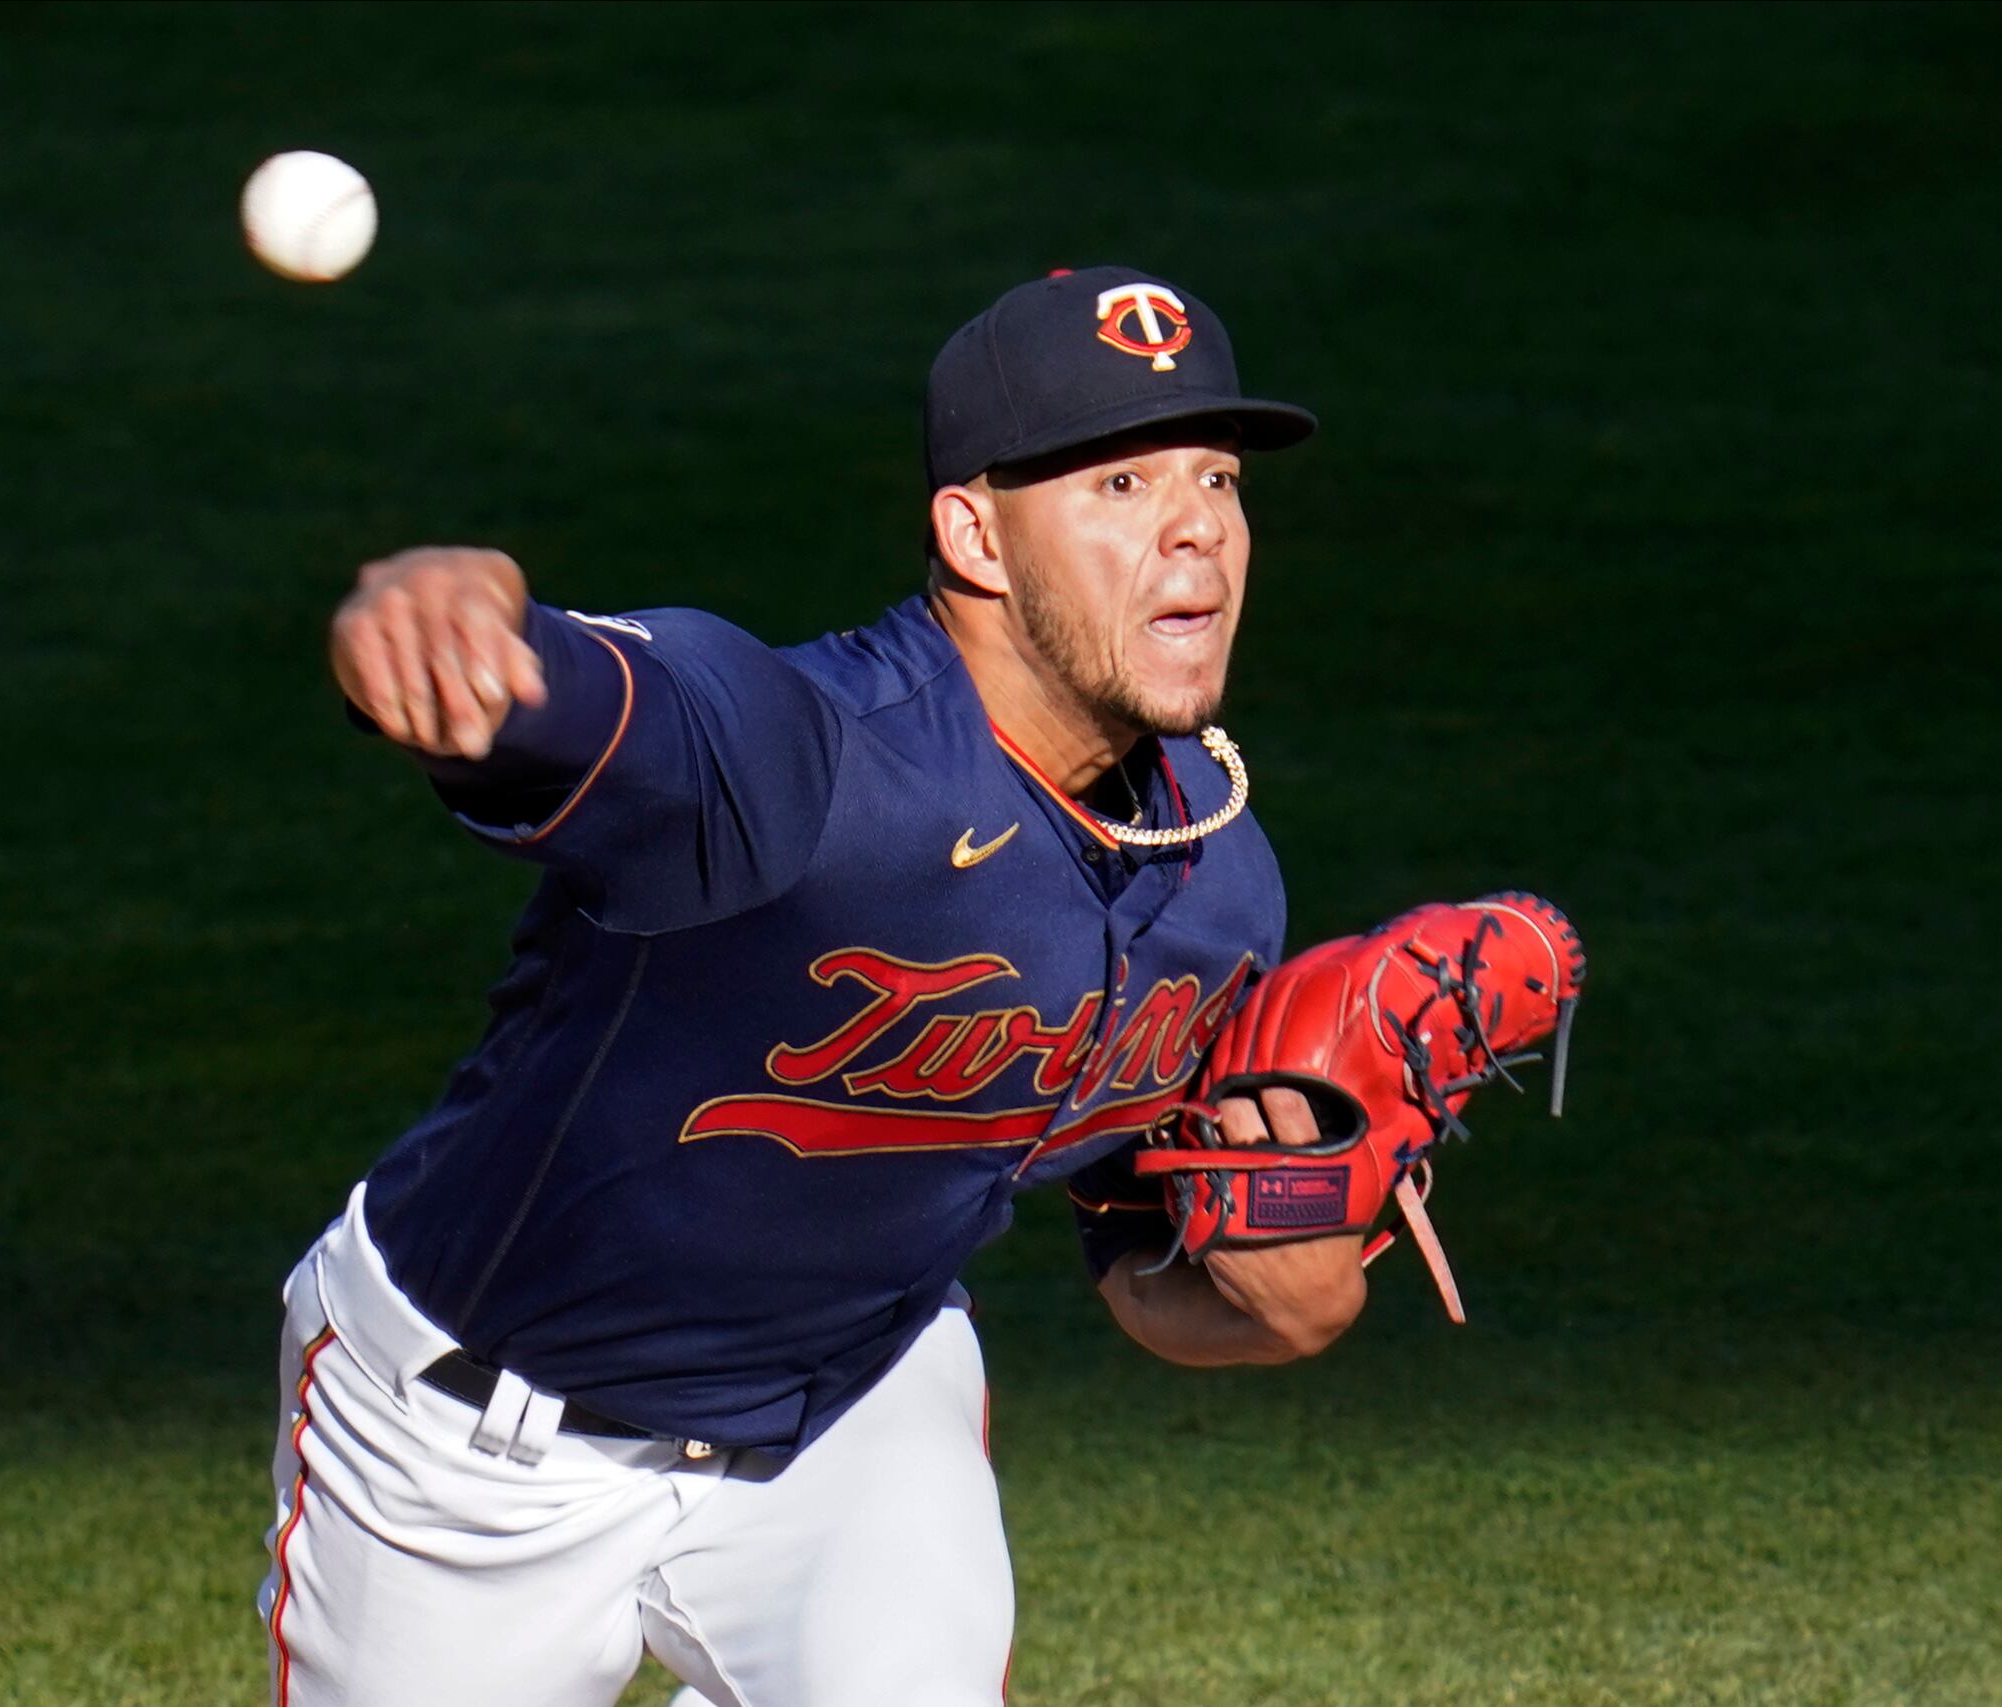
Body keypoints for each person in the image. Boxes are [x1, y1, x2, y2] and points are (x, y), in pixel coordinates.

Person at [261, 266, 1367, 1707]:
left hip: (849, 1414)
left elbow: (1144, 1264)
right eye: (1118, 484)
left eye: (1217, 479)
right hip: (461, 1452)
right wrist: (440, 620)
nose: (1196, 533)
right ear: (974, 534)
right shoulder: (806, 757)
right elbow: (604, 703)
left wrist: (1284, 1307)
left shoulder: (1218, 882)